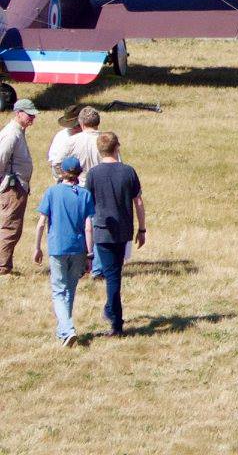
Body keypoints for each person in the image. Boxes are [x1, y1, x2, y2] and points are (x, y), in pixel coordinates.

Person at [85, 131, 144, 336]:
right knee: (114, 274)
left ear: (99, 151)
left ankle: (115, 320)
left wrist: (87, 236)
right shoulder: (128, 171)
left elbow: (88, 206)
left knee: (112, 276)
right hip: (124, 230)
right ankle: (112, 313)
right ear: (117, 147)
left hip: (102, 230)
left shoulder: (93, 174)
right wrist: (142, 229)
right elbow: (138, 201)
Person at [33, 155, 93, 346]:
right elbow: (88, 226)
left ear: (62, 172)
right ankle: (63, 332)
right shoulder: (85, 195)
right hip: (78, 248)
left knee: (59, 290)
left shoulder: (52, 192)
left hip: (57, 246)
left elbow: (41, 223)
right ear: (79, 173)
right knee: (70, 290)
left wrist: (37, 247)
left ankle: (67, 329)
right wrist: (90, 253)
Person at [0, 97, 37, 276]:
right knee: (10, 227)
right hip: (12, 188)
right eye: (29, 115)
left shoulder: (18, 131)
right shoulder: (12, 133)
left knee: (13, 226)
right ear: (18, 113)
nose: (32, 118)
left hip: (18, 186)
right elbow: (1, 159)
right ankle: (3, 268)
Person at [47, 105, 102, 172]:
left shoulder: (97, 138)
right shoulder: (62, 137)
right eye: (71, 127)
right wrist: (68, 178)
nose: (75, 129)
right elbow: (54, 163)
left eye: (77, 126)